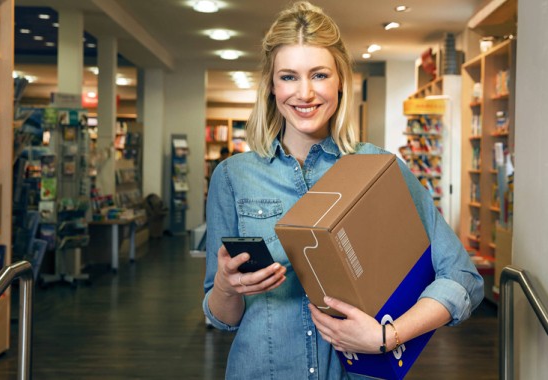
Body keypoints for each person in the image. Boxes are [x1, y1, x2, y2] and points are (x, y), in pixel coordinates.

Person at [202, 2, 484, 379]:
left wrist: (387, 336)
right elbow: (222, 319)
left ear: (340, 81)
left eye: (319, 75)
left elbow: (463, 278)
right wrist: (225, 285)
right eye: (288, 77)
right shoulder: (232, 177)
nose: (304, 93)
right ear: (270, 85)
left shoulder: (379, 168)